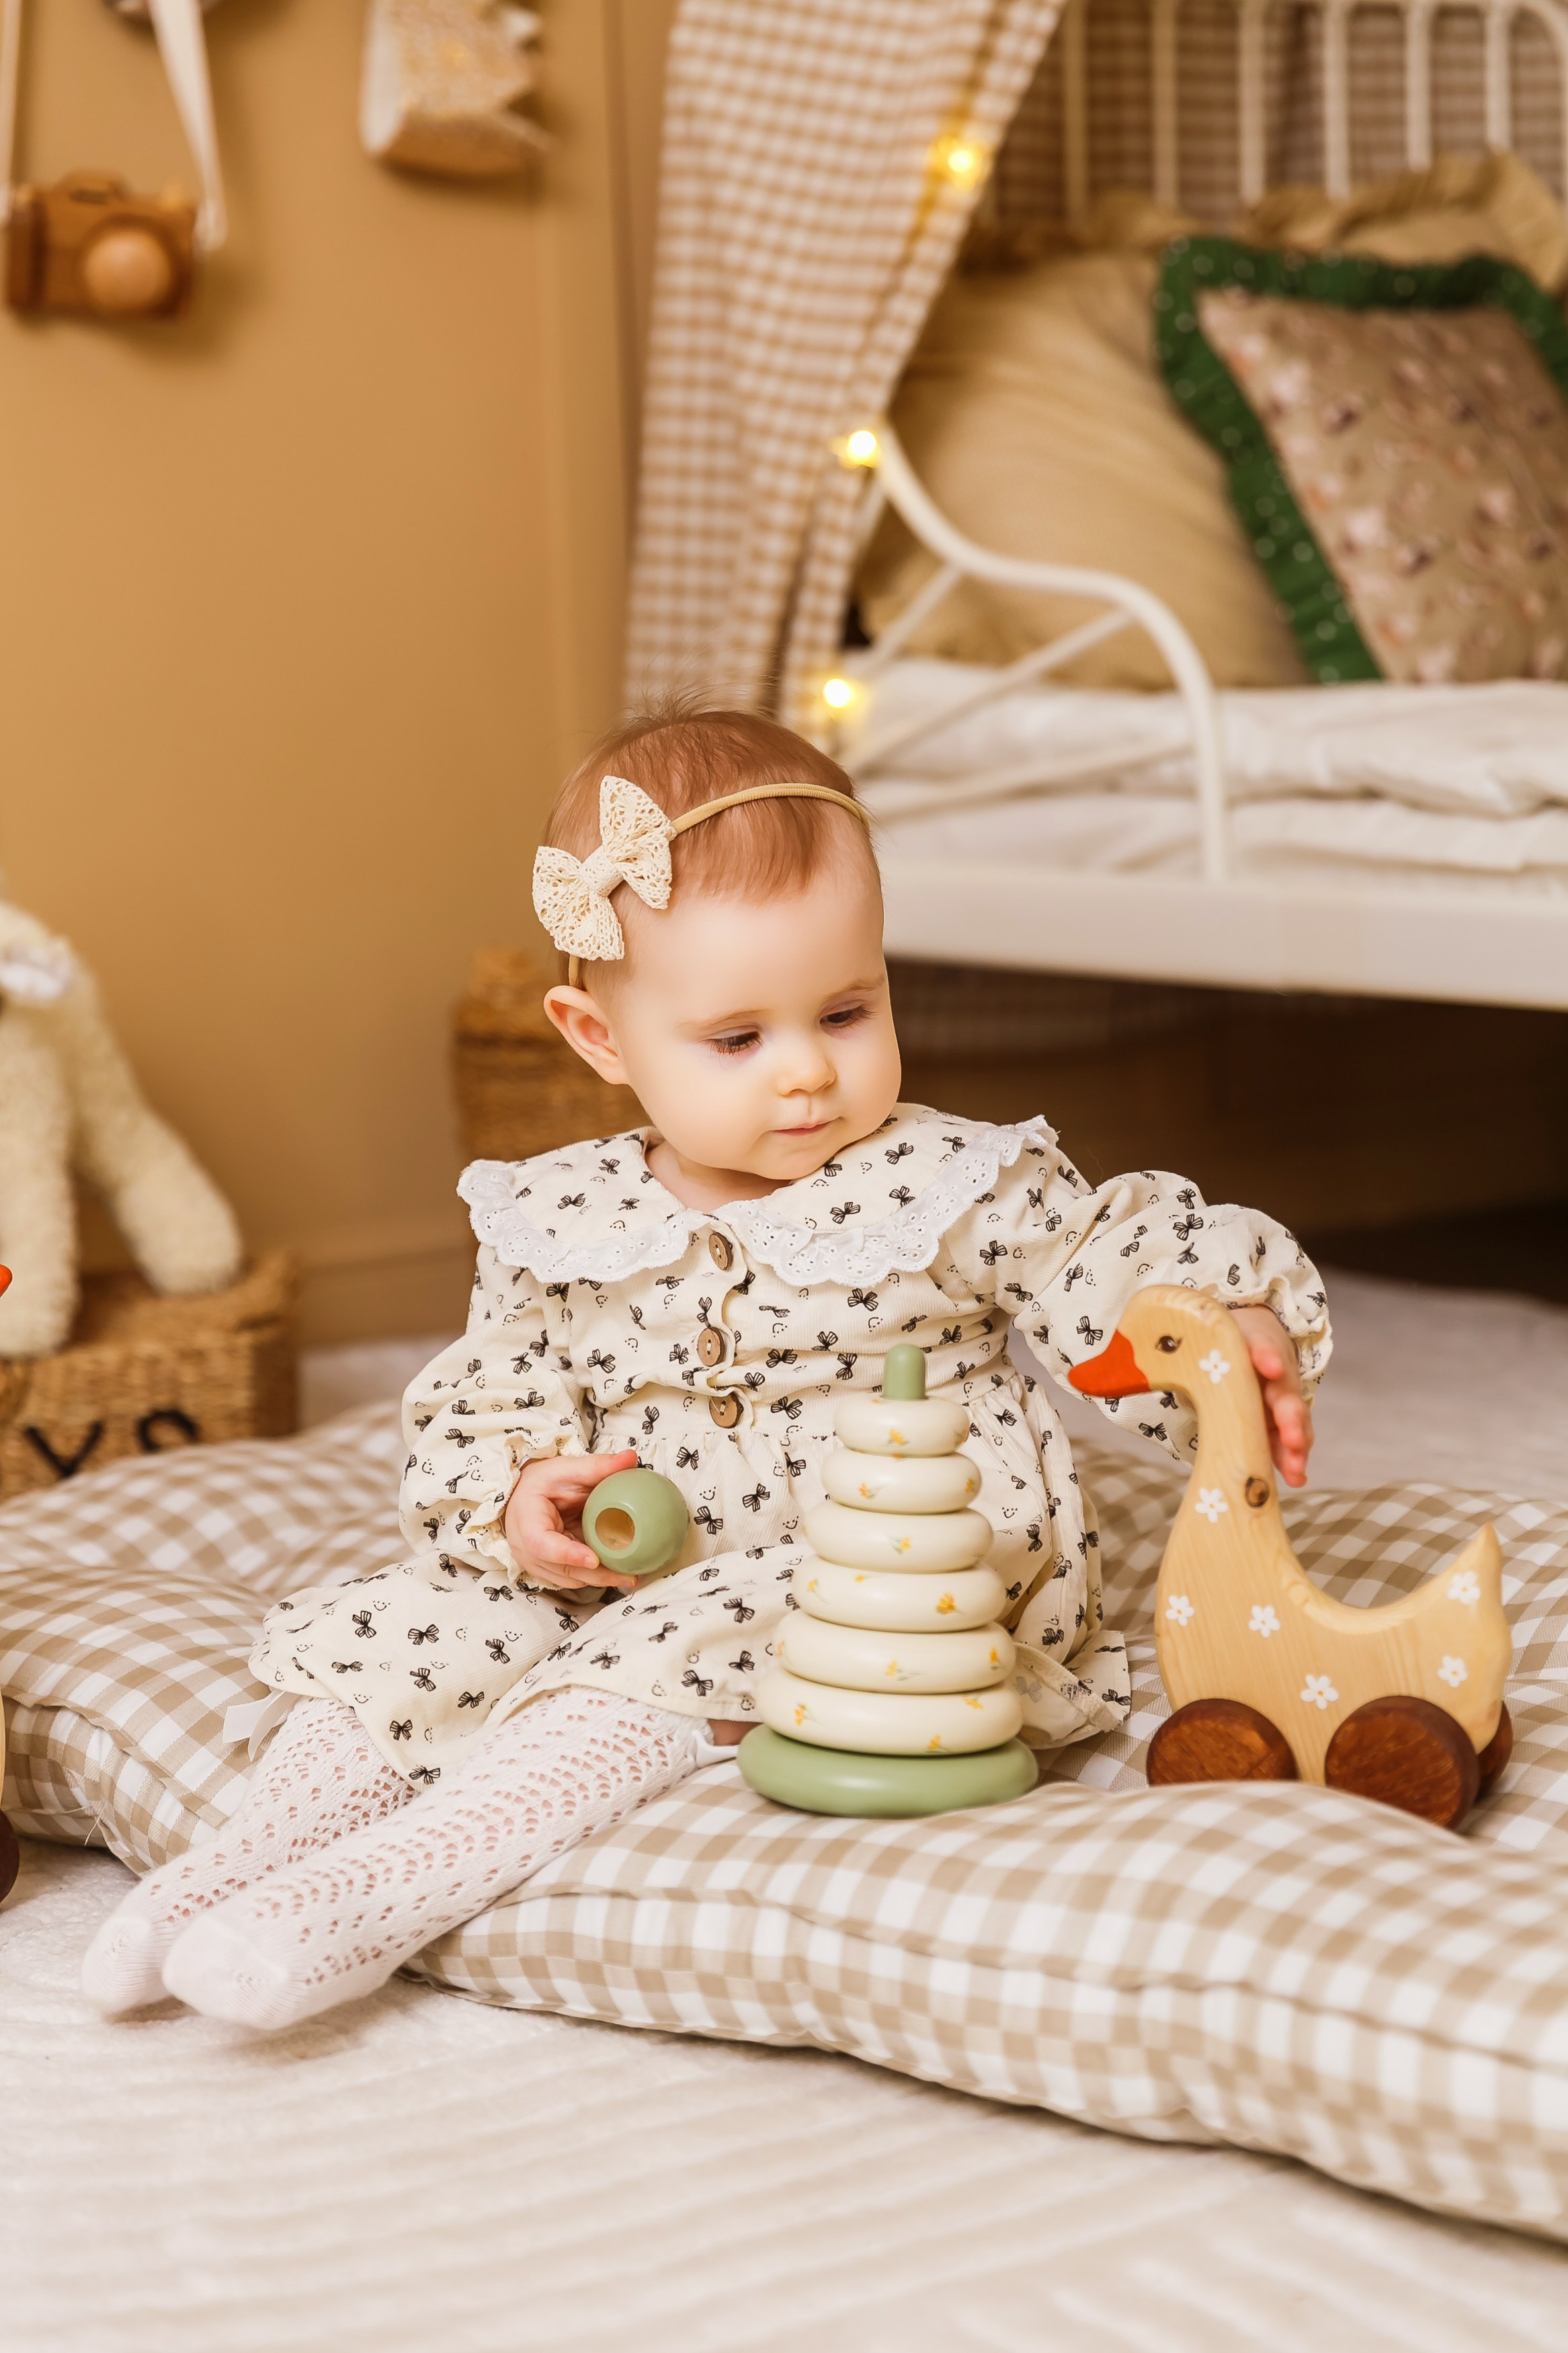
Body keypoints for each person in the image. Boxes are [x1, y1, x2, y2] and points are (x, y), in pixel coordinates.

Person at [82, 705, 1328, 2030]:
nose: (806, 1073)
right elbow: (492, 1385)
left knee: (664, 1651)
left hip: (884, 1565)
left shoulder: (957, 1181)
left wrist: (1216, 1313)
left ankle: (383, 1891)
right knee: (424, 1627)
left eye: (847, 1009)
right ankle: (224, 1871)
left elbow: (1103, 1264)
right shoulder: (557, 1213)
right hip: (625, 1557)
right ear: (601, 1037)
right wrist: (521, 1499)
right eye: (738, 1039)